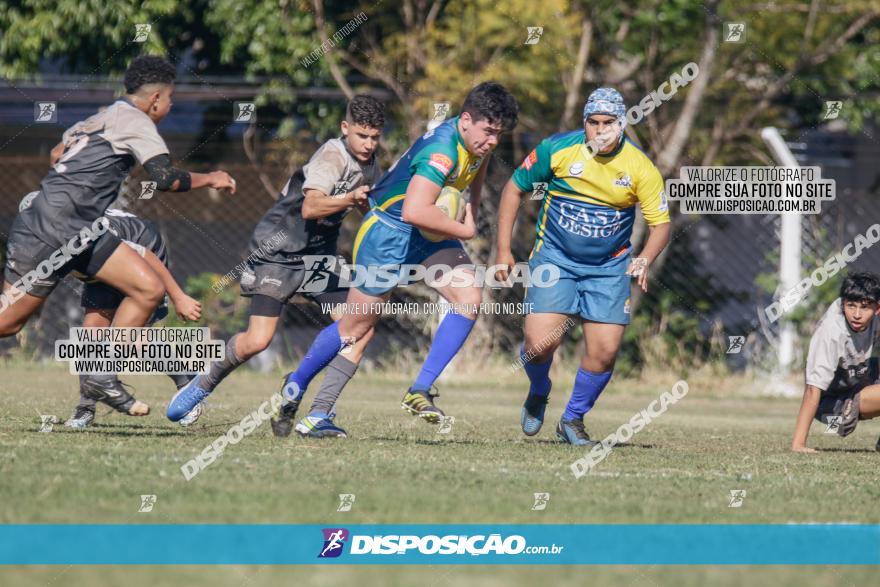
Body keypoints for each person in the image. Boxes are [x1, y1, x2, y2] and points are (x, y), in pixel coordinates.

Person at [240, 82, 519, 430]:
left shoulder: (477, 142)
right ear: (465, 119)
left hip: (428, 234)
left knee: (468, 296)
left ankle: (420, 389)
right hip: (388, 233)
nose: (493, 141)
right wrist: (465, 230)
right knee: (355, 328)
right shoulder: (442, 151)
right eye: (489, 132)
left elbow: (476, 169)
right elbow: (415, 211)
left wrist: (472, 212)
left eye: (499, 134)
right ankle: (294, 387)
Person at [166, 95, 385, 438]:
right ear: (345, 129)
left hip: (319, 257)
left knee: (358, 326)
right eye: (362, 136)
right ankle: (201, 385)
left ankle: (315, 412)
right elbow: (311, 208)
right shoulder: (332, 155)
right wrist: (349, 199)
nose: (369, 144)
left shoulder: (371, 162)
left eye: (375, 137)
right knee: (258, 340)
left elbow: (363, 207)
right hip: (278, 251)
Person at [0, 55, 235, 340]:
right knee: (7, 324)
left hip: (77, 228)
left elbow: (56, 153)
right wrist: (211, 178)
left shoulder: (100, 116)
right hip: (53, 228)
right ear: (156, 98)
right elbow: (166, 179)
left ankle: (102, 377)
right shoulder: (138, 122)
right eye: (171, 97)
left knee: (148, 288)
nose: (171, 105)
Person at [494, 87, 671, 445]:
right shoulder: (556, 149)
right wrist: (503, 250)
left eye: (609, 123)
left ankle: (572, 420)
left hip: (609, 268)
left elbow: (661, 225)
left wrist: (644, 259)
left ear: (622, 124)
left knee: (604, 352)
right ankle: (540, 389)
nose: (601, 130)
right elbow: (514, 189)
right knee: (538, 343)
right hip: (555, 260)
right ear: (584, 123)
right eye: (594, 122)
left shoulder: (639, 166)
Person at [61, 208, 202, 428]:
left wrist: (178, 296)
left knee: (136, 340)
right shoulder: (37, 242)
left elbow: (146, 255)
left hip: (143, 244)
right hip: (97, 265)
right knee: (91, 336)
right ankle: (85, 408)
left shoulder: (88, 234)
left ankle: (188, 384)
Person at [791, 272, 880, 453]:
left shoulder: (876, 319)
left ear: (877, 308)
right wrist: (798, 445)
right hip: (831, 405)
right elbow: (812, 389)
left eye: (864, 307)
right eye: (851, 306)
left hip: (857, 381)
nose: (856, 314)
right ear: (842, 304)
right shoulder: (832, 332)